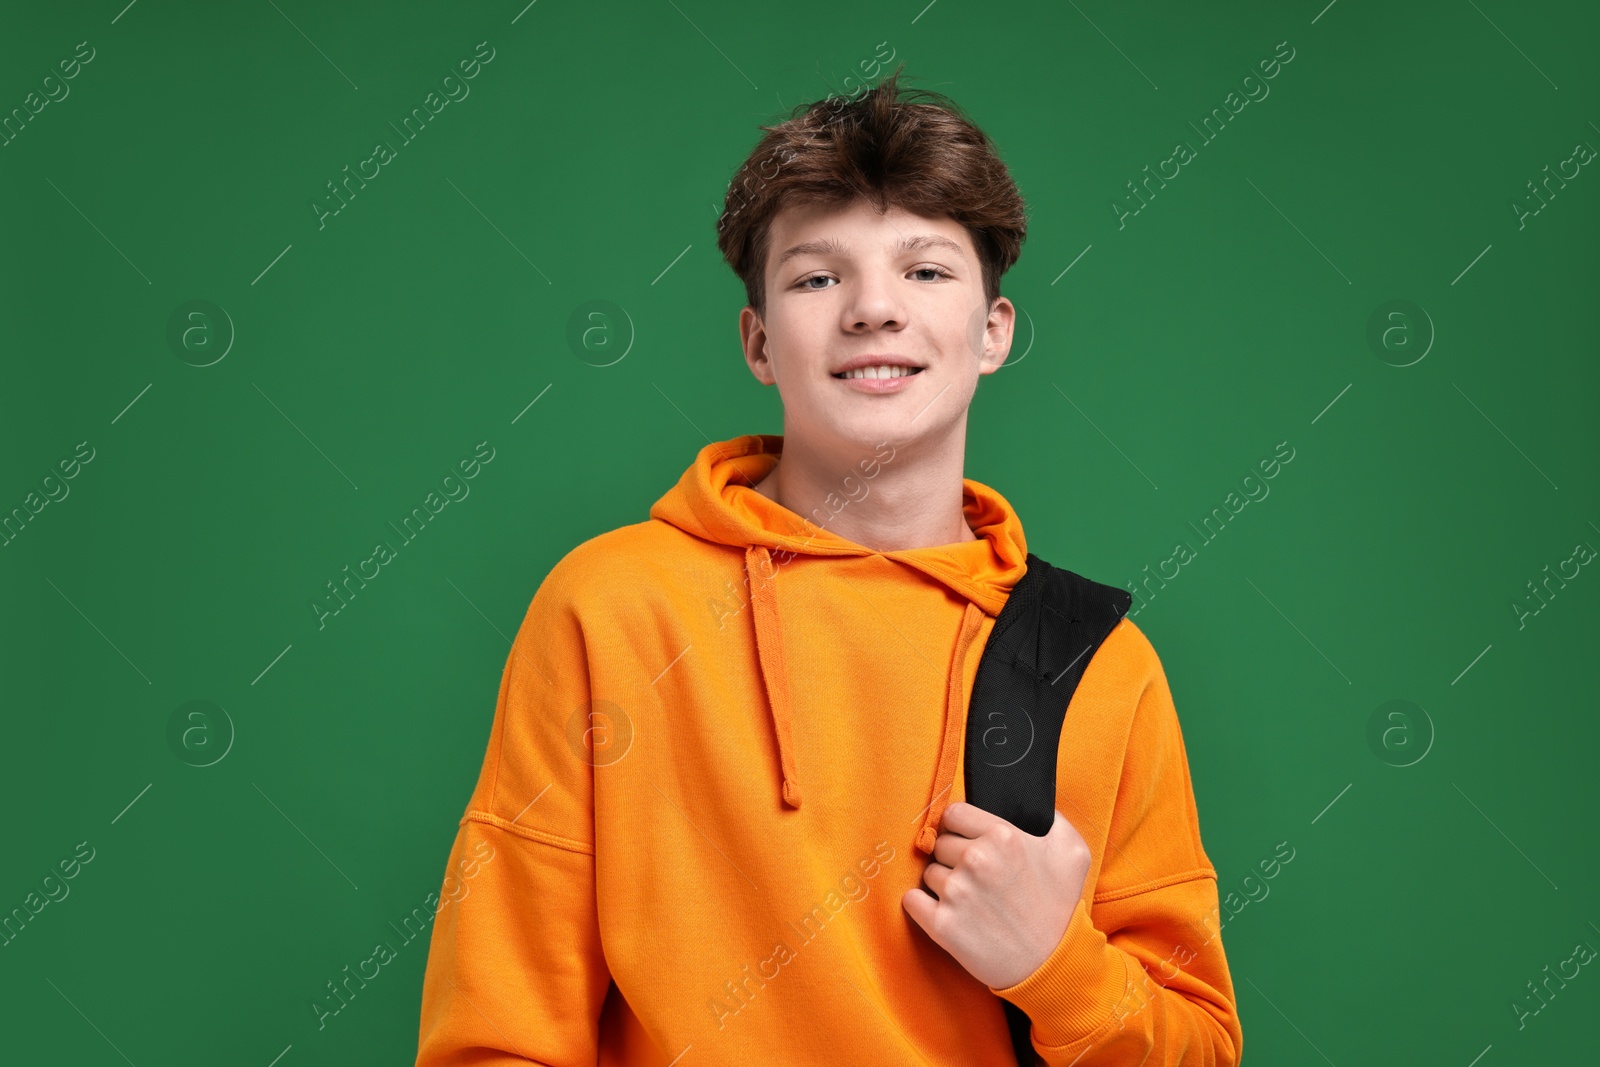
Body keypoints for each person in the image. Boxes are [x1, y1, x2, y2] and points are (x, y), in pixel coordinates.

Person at [413, 66, 1242, 1066]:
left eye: (926, 270)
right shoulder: (610, 608)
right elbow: (496, 1036)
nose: (872, 310)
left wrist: (1051, 963)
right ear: (759, 342)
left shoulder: (1096, 663)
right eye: (817, 276)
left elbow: (1198, 1047)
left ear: (993, 332)